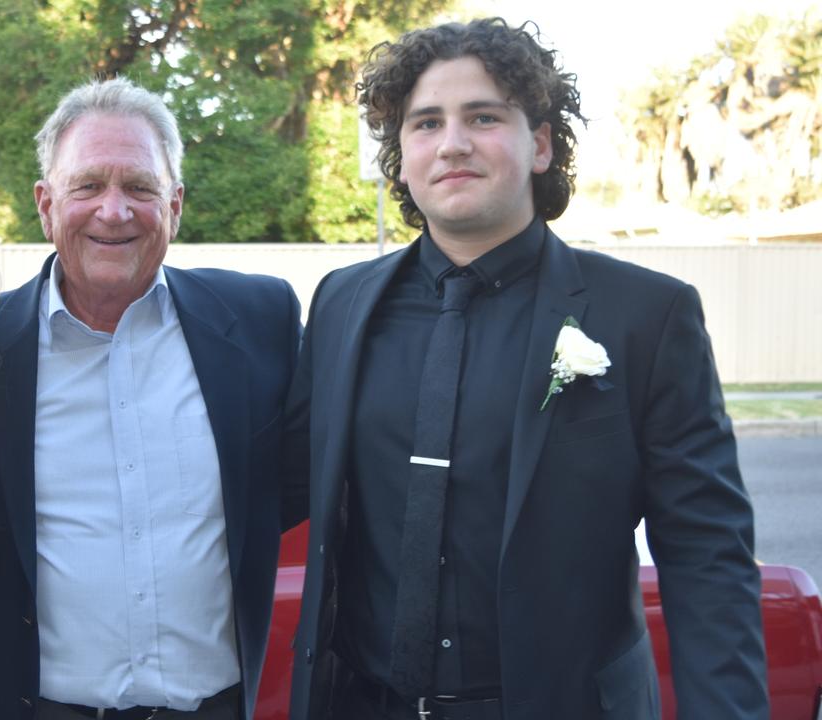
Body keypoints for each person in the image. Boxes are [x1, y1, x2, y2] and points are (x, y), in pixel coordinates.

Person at [282, 17, 767, 720]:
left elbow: (707, 559)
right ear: (401, 155)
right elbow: (283, 483)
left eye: (482, 117)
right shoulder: (342, 304)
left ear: (539, 144)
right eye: (424, 123)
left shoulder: (645, 316)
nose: (452, 143)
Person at [0, 77, 301, 720]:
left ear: (175, 204)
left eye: (140, 187)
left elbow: (329, 474)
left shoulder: (259, 321)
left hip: (217, 708)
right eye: (88, 186)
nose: (115, 211)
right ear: (47, 204)